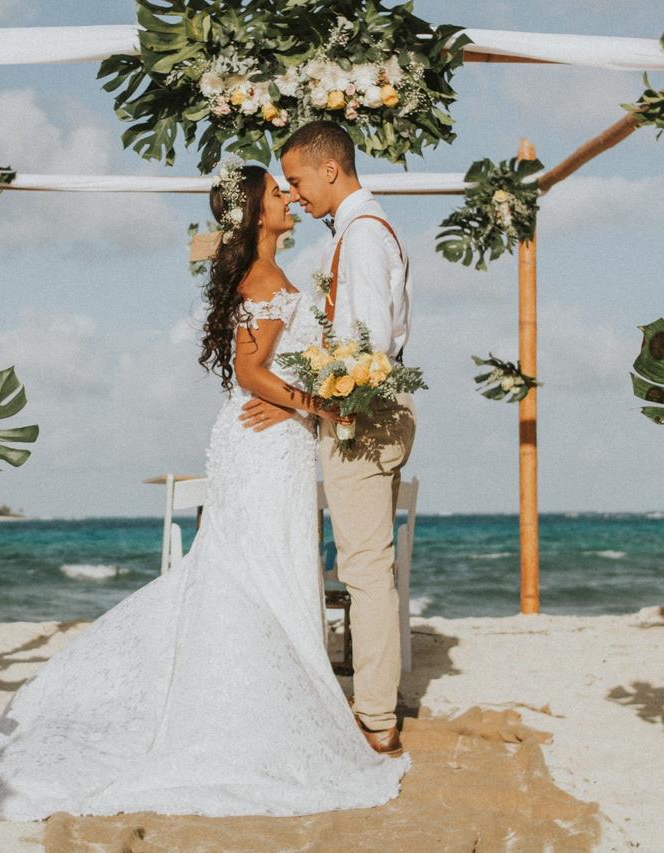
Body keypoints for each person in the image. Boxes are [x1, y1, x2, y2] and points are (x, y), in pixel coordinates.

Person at [0, 161, 409, 821]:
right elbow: (251, 370)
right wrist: (315, 405)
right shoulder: (262, 279)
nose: (288, 197)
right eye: (276, 191)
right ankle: (247, 709)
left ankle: (264, 692)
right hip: (265, 446)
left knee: (256, 571)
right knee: (256, 573)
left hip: (268, 445)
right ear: (256, 213)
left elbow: (259, 368)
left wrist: (303, 403)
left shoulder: (265, 275)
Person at [241, 120, 415, 756]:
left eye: (297, 179)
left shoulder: (363, 239)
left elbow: (362, 354)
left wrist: (301, 410)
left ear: (330, 171)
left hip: (362, 416)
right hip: (360, 411)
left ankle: (375, 717)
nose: (294, 194)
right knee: (369, 565)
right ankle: (373, 706)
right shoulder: (358, 234)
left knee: (366, 570)